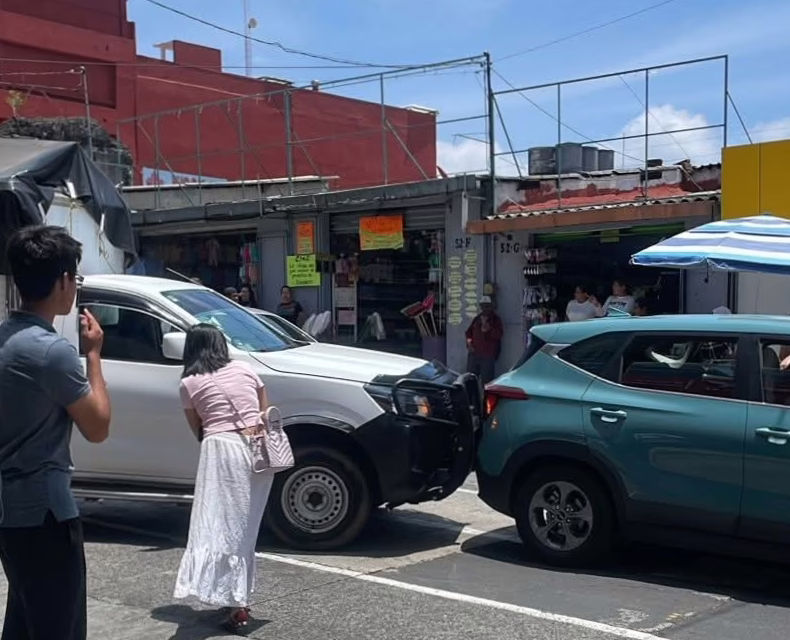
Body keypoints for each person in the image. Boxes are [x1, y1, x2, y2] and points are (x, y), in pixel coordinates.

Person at [0, 225, 111, 640]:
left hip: (10, 511)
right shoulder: (50, 351)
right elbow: (98, 426)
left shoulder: (7, 340)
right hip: (47, 512)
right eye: (75, 278)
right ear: (64, 280)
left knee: (25, 621)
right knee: (57, 626)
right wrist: (95, 355)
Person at [173, 323, 273, 633]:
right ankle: (237, 599)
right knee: (245, 528)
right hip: (256, 450)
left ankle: (236, 603)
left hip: (221, 451)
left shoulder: (188, 383)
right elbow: (264, 410)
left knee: (218, 527)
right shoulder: (245, 368)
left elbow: (199, 429)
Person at [465, 295, 504, 386]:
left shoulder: (495, 320)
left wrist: (489, 329)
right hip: (474, 355)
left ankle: (486, 400)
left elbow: (499, 335)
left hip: (487, 356)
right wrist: (469, 343)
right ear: (480, 306)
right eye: (483, 306)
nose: (485, 308)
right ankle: (472, 400)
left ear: (491, 306)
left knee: (487, 383)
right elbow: (468, 333)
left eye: (487, 306)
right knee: (470, 381)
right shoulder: (477, 319)